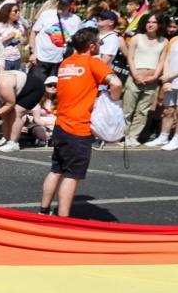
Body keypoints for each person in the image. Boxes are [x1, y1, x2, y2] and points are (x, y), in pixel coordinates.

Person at [41, 28, 122, 216]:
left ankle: (43, 212)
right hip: (79, 128)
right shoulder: (93, 62)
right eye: (99, 44)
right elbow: (116, 83)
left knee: (56, 170)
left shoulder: (65, 64)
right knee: (72, 176)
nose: (100, 47)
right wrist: (113, 100)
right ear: (91, 46)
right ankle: (64, 220)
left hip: (60, 125)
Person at [0, 67, 45, 152]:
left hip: (34, 88)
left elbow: (10, 104)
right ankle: (6, 138)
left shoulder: (3, 84)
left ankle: (13, 143)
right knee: (5, 114)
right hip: (20, 88)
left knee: (17, 112)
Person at [122, 13, 166, 146]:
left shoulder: (164, 41)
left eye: (154, 22)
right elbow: (130, 58)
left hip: (151, 81)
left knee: (143, 110)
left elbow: (162, 61)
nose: (150, 24)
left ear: (159, 25)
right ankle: (124, 135)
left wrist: (155, 76)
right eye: (148, 22)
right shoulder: (136, 38)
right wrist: (135, 75)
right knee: (128, 109)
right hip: (135, 78)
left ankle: (133, 136)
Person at [30, 0, 81, 79]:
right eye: (60, 3)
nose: (61, 5)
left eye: (64, 4)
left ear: (70, 6)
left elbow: (76, 41)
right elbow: (34, 32)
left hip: (60, 60)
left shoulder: (75, 20)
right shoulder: (47, 14)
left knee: (54, 88)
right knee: (37, 85)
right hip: (41, 58)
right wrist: (33, 53)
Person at [152, 28, 178, 150]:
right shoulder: (175, 39)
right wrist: (167, 80)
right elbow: (167, 59)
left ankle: (177, 139)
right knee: (167, 110)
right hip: (171, 82)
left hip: (175, 79)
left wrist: (170, 76)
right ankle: (163, 136)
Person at [0, 2, 27, 71]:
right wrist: (8, 37)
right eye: (15, 11)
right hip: (3, 59)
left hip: (16, 59)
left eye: (19, 11)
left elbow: (24, 41)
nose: (18, 13)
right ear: (7, 12)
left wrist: (24, 37)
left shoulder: (19, 26)